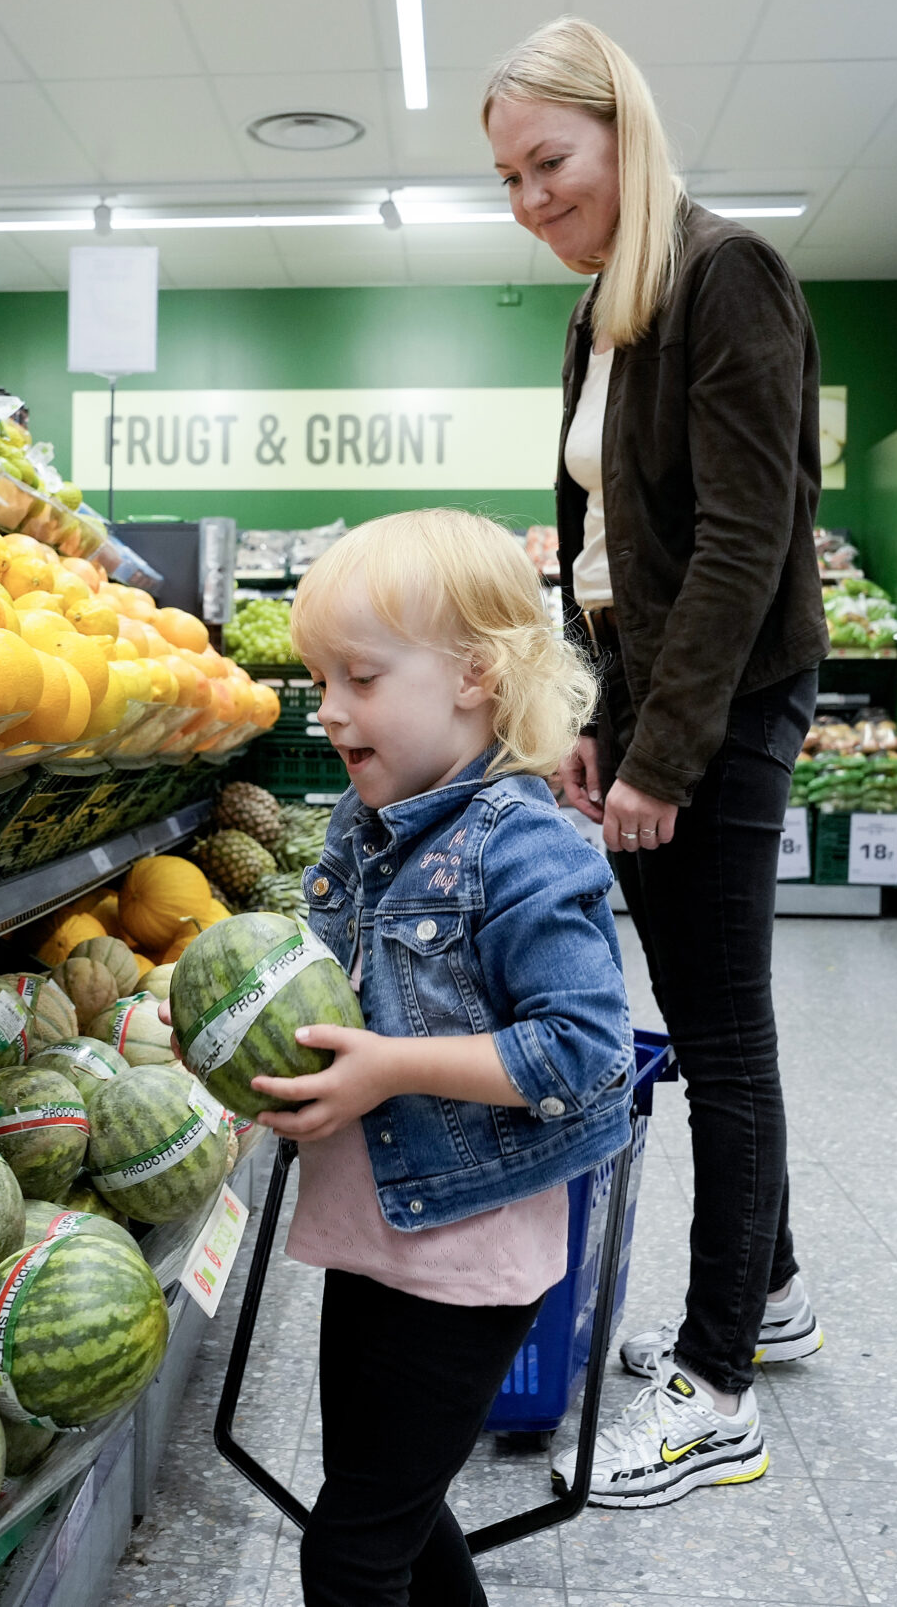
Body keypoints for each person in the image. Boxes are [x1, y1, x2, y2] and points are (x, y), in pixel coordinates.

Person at [482, 17, 829, 1511]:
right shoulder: (604, 315)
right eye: (507, 178)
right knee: (703, 1007)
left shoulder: (721, 277)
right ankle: (778, 1290)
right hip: (655, 686)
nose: (530, 199)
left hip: (733, 700)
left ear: (624, 128)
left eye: (549, 161)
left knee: (723, 1036)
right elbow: (607, 552)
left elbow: (749, 544)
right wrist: (585, 714)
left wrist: (669, 752)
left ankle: (717, 1384)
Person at [250, 508, 634, 1607]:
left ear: (473, 676)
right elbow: (325, 997)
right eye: (319, 679)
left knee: (352, 1545)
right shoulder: (359, 826)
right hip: (380, 1231)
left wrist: (388, 1067)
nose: (326, 712)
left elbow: (582, 1049)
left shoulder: (527, 845)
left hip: (467, 1252)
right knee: (396, 1516)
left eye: (359, 678)